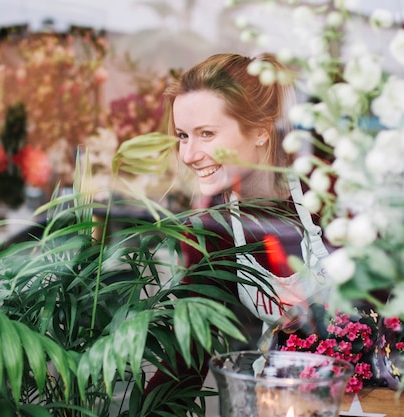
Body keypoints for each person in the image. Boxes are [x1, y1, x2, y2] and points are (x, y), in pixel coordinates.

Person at [144, 52, 330, 411]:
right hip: (277, 402)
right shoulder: (215, 227)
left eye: (207, 134)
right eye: (183, 136)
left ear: (261, 131)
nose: (188, 154)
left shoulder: (324, 188)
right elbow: (190, 348)